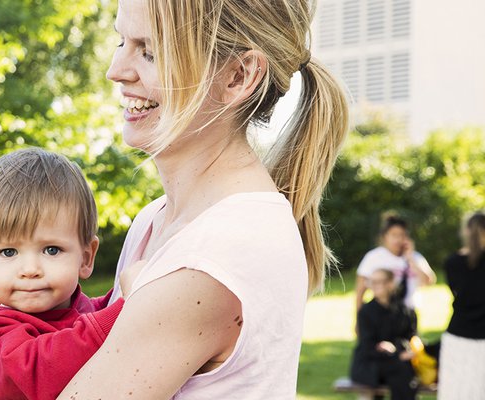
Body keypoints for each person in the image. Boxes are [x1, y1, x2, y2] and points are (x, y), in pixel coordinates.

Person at [57, 0, 350, 398]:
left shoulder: (215, 257)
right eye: (120, 41)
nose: (116, 71)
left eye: (149, 51)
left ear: (238, 76)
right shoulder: (155, 219)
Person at [0, 148, 124, 400]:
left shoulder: (80, 310)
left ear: (86, 257)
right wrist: (125, 312)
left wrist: (139, 291)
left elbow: (100, 310)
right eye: (8, 252)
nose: (29, 270)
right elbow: (40, 369)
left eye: (51, 250)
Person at [351, 269, 418, 400]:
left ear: (391, 283)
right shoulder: (366, 311)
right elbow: (367, 346)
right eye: (372, 282)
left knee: (403, 373)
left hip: (398, 361)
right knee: (400, 372)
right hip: (370, 363)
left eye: (379, 282)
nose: (375, 285)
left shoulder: (405, 311)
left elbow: (412, 338)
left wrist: (397, 350)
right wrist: (392, 352)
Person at [438, 211, 485, 399]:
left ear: (466, 231)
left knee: (455, 392)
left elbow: (456, 292)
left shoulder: (452, 262)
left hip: (457, 335)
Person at [355, 215, 437, 313]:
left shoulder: (415, 257)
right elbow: (360, 290)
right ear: (385, 236)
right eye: (394, 235)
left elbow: (428, 281)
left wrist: (411, 259)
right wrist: (359, 319)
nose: (398, 239)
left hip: (409, 313)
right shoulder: (373, 257)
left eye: (402, 235)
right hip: (383, 312)